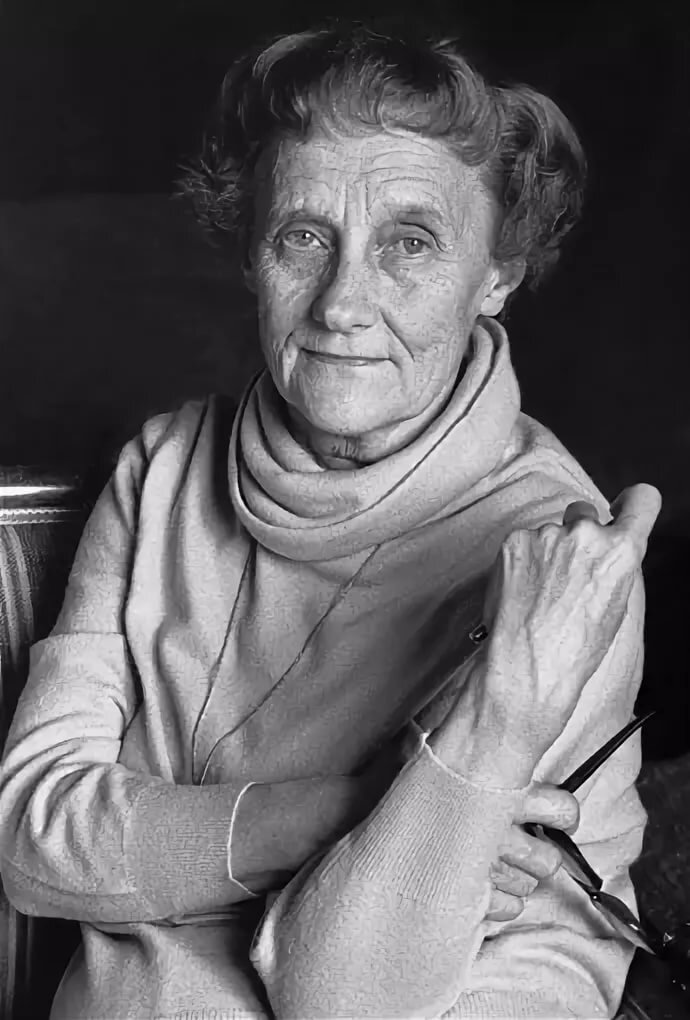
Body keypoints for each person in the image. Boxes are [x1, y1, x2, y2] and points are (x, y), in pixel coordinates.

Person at [0, 20, 662, 1020]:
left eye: (409, 243)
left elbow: (345, 998)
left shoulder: (560, 559)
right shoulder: (162, 471)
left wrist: (507, 705)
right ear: (249, 253)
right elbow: (28, 846)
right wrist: (349, 812)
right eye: (304, 237)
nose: (342, 304)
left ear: (496, 275)